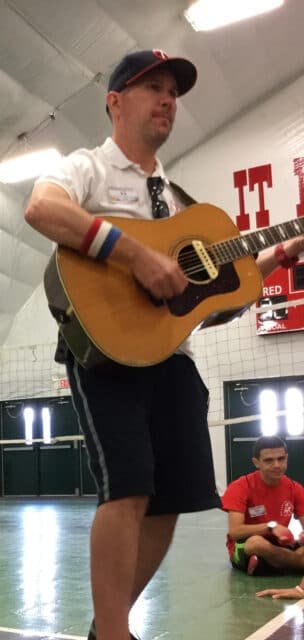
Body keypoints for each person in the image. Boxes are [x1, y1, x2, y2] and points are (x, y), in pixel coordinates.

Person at [24, 49, 304, 640]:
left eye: (173, 91)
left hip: (172, 359)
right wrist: (131, 254)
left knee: (171, 495)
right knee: (127, 485)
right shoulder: (88, 169)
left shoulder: (177, 202)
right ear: (115, 102)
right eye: (152, 87)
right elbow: (42, 208)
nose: (167, 99)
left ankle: (109, 627)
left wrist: (279, 254)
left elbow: (207, 305)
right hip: (105, 351)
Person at [222, 436, 304, 576]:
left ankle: (268, 564)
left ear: (287, 458)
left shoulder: (294, 488)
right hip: (246, 545)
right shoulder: (240, 487)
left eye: (281, 458)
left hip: (280, 545)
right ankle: (295, 563)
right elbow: (235, 531)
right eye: (269, 460)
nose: (277, 465)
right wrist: (270, 527)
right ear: (256, 462)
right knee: (257, 543)